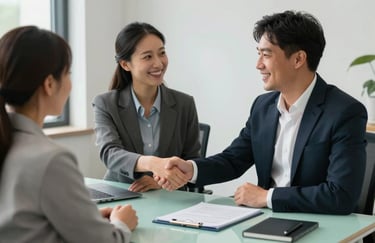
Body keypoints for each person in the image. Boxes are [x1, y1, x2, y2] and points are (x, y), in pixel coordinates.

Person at [157, 10, 367, 215]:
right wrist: (190, 169)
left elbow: (341, 196)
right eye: (259, 54)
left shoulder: (344, 112)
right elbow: (233, 160)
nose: (258, 65)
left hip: (317, 225)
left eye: (266, 55)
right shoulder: (263, 107)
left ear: (298, 59)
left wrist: (267, 197)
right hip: (265, 221)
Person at [0, 26, 139, 243]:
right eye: (68, 74)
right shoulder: (50, 159)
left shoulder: (9, 141)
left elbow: (23, 223)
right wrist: (122, 223)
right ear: (49, 84)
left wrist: (86, 217)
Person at [92, 22, 200, 192]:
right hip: (122, 194)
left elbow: (193, 161)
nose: (158, 63)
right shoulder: (105, 104)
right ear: (125, 64)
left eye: (162, 53)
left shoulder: (184, 104)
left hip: (171, 198)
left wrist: (162, 182)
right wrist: (153, 163)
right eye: (147, 57)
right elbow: (110, 153)